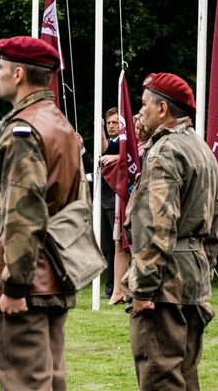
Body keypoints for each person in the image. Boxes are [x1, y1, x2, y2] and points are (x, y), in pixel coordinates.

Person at [0, 36, 84, 389]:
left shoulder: (24, 130)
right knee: (50, 381)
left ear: (20, 74)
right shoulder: (60, 125)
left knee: (24, 381)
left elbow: (24, 215)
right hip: (53, 274)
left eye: (2, 68)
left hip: (30, 282)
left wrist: (14, 285)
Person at [122, 72, 218, 390]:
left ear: (162, 109)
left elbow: (156, 226)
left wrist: (141, 288)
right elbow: (214, 225)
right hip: (192, 276)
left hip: (164, 283)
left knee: (160, 376)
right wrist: (202, 268)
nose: (141, 113)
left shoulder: (165, 151)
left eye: (144, 105)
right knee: (185, 375)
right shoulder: (202, 150)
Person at [108, 113, 153, 305]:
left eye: (137, 127)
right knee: (119, 243)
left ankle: (135, 289)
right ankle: (118, 290)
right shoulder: (128, 148)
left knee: (137, 245)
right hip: (125, 198)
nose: (135, 131)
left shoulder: (151, 146)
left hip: (143, 201)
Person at [100, 107, 121, 299]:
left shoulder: (124, 143)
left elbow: (125, 155)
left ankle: (114, 289)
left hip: (117, 201)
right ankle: (109, 288)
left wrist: (116, 157)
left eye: (114, 122)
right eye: (108, 123)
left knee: (117, 247)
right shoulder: (109, 144)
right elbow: (103, 151)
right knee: (106, 246)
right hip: (104, 200)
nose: (111, 126)